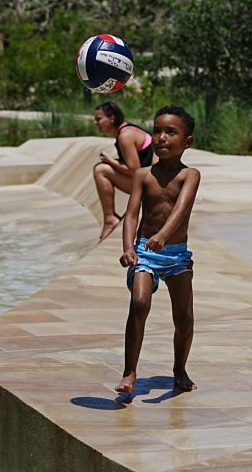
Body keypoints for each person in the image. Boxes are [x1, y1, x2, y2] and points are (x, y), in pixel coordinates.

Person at [116, 106, 201, 396]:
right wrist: (128, 248)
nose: (162, 137)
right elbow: (131, 215)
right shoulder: (143, 175)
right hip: (145, 252)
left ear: (187, 141)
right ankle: (130, 371)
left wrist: (164, 235)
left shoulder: (190, 175)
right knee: (139, 303)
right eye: (157, 131)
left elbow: (181, 209)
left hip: (176, 254)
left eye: (171, 132)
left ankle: (179, 368)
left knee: (184, 318)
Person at [92, 101, 153, 241]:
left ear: (112, 118)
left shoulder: (125, 136)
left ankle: (110, 219)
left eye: (99, 119)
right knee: (103, 167)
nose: (96, 123)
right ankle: (110, 218)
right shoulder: (127, 131)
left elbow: (134, 170)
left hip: (149, 187)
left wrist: (110, 161)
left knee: (101, 170)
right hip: (148, 181)